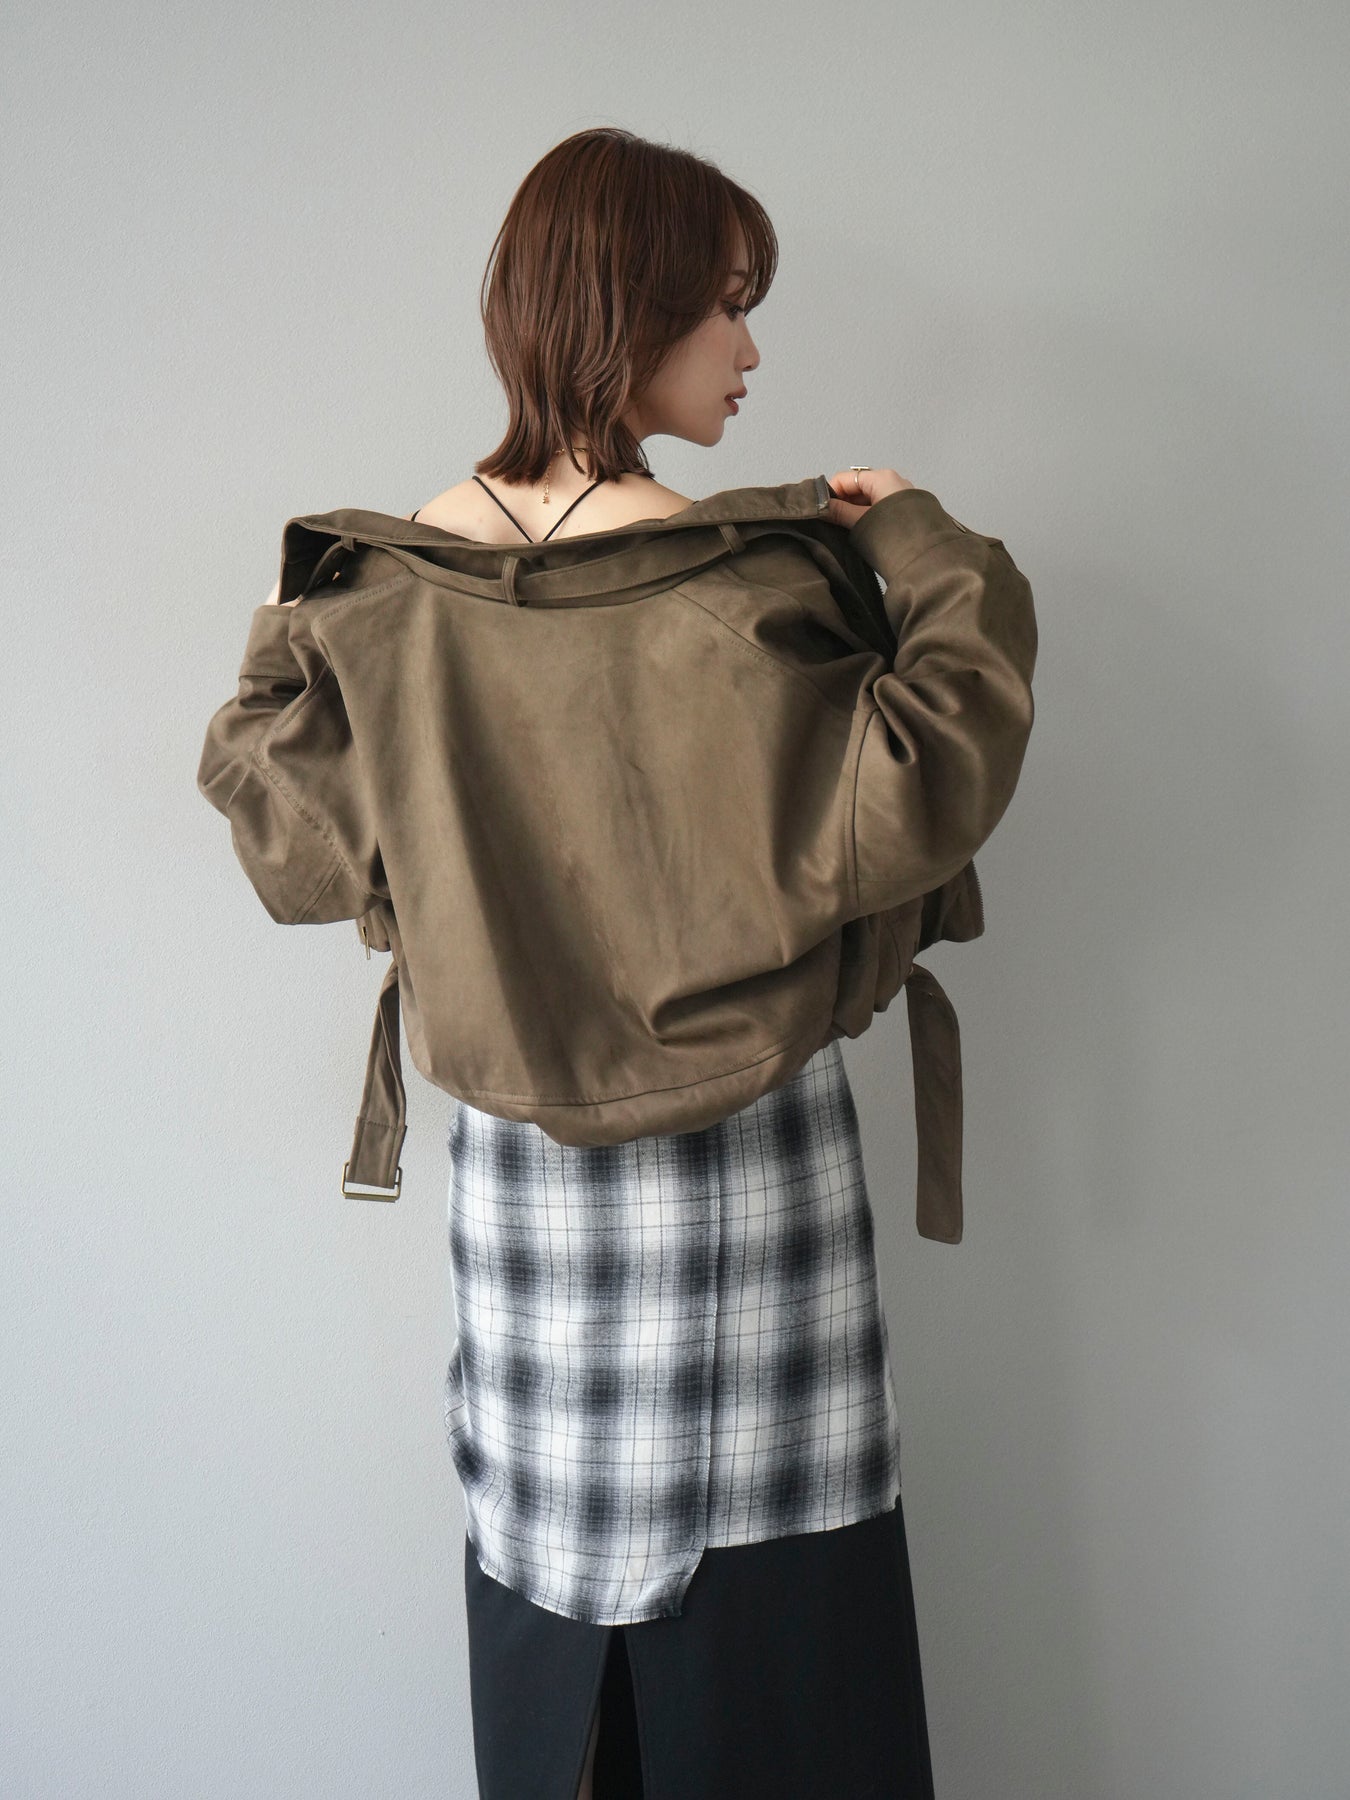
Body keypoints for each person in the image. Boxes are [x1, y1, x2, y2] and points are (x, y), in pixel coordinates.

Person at [242, 124, 1032, 1798]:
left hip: (526, 1212)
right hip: (752, 1194)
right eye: (726, 304)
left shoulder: (385, 590)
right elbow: (934, 774)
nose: (749, 348)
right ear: (629, 308)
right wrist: (921, 543)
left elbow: (295, 852)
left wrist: (289, 619)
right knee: (784, 1668)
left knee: (557, 1630)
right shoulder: (759, 584)